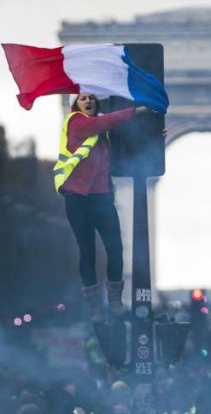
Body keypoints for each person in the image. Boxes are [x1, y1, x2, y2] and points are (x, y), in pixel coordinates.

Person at [55, 93, 149, 321]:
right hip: (78, 197)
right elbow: (105, 121)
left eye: (92, 99)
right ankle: (96, 307)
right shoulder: (76, 123)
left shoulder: (102, 135)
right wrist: (136, 111)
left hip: (101, 198)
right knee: (87, 253)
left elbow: (127, 147)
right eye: (83, 98)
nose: (88, 101)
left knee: (115, 250)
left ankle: (114, 302)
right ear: (75, 104)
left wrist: (156, 137)